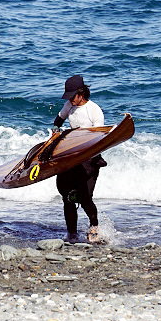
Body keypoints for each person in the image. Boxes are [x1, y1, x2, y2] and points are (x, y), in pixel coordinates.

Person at [51, 75, 108, 243]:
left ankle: (94, 227)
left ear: (81, 93)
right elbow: (59, 119)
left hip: (90, 158)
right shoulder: (69, 105)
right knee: (67, 196)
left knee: (85, 198)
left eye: (72, 95)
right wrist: (56, 128)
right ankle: (72, 234)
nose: (69, 99)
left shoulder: (94, 110)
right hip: (71, 156)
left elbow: (100, 137)